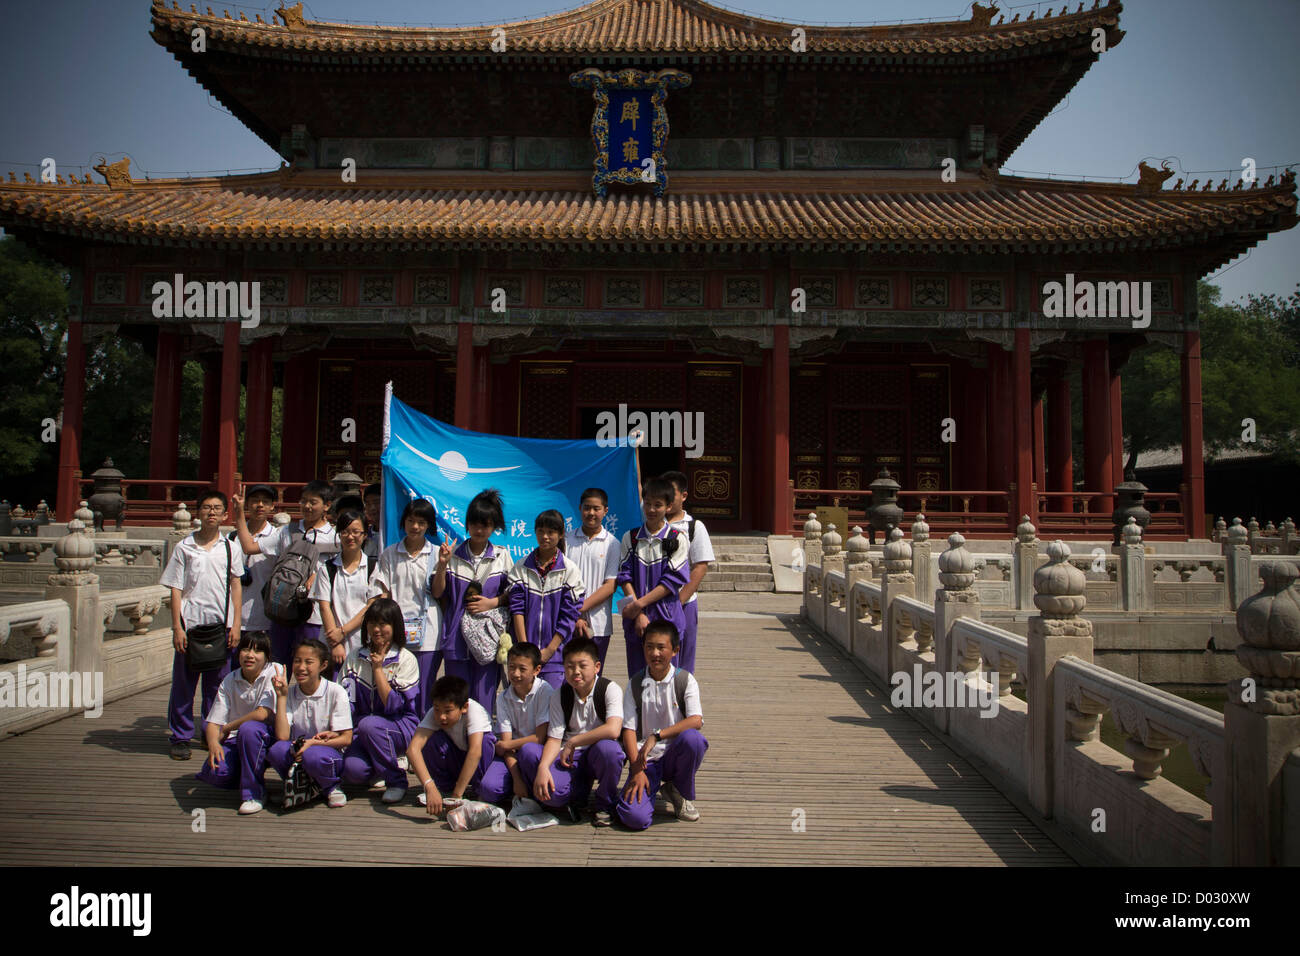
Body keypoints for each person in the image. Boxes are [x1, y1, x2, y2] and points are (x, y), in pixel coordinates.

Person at [163, 489, 244, 760]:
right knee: (184, 684)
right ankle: (180, 736)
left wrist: (236, 623)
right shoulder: (184, 547)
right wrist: (177, 626)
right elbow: (175, 588)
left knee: (217, 686)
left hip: (220, 625)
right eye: (207, 507)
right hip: (191, 625)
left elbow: (236, 585)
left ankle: (211, 732)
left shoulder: (230, 548)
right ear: (198, 512)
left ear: (224, 514)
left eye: (217, 508)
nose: (212, 512)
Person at [517, 637, 624, 827]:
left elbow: (614, 729)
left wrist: (575, 742)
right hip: (567, 758)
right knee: (528, 752)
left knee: (611, 751)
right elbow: (554, 738)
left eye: (582, 666)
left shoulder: (609, 689)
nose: (576, 672)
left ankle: (604, 805)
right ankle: (573, 795)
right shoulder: (560, 694)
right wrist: (543, 767)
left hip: (594, 754)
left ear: (597, 666)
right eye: (570, 666)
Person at [232, 479, 337, 665]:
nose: (307, 506)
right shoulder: (286, 532)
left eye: (313, 502)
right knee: (278, 668)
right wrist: (239, 512)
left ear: (327, 506)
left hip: (315, 616)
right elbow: (249, 547)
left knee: (311, 667)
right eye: (304, 501)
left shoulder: (336, 537)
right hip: (283, 610)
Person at [615, 621, 707, 830]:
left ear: (675, 650)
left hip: (673, 753)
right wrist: (636, 769)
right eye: (649, 647)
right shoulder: (636, 683)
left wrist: (656, 736)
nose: (654, 653)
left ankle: (678, 790)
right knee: (633, 818)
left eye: (661, 647)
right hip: (646, 760)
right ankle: (646, 788)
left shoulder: (684, 680)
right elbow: (628, 730)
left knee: (693, 740)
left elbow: (696, 720)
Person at [431, 488, 513, 711]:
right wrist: (442, 565)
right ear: (466, 524)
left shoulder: (501, 556)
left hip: (488, 640)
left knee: (484, 702)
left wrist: (492, 602)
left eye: (485, 524)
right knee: (456, 702)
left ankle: (483, 745)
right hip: (456, 640)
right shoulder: (453, 555)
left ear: (494, 526)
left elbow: (513, 594)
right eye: (475, 524)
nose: (479, 529)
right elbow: (438, 592)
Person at [337, 598, 421, 804]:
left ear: (395, 626)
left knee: (369, 725)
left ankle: (397, 781)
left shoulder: (405, 658)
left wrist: (377, 669)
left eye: (383, 623)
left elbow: (395, 706)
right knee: (353, 771)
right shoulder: (355, 657)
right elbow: (345, 701)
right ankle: (379, 767)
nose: (377, 629)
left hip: (401, 726)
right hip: (364, 729)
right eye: (372, 623)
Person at [195, 631, 284, 814]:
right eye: (245, 649)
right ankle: (246, 776)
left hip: (267, 735)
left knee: (249, 729)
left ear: (266, 657)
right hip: (237, 739)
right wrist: (213, 743)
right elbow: (213, 722)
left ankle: (253, 793)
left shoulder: (274, 670)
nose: (250, 655)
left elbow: (262, 713)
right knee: (215, 772)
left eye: (257, 651)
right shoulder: (230, 679)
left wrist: (228, 727)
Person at [368, 497, 441, 718]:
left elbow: (439, 593)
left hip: (429, 632)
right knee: (397, 685)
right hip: (396, 632)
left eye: (421, 522)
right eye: (411, 521)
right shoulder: (390, 553)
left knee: (425, 690)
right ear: (404, 522)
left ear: (429, 525)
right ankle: (400, 732)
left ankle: (421, 737)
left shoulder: (437, 553)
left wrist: (445, 564)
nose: (415, 526)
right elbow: (383, 592)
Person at [616, 477, 688, 679]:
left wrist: (638, 605)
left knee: (667, 679)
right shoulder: (630, 538)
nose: (651, 509)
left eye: (658, 505)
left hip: (666, 618)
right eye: (647, 503)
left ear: (668, 506)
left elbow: (672, 581)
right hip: (636, 623)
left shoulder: (676, 538)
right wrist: (638, 614)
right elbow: (624, 576)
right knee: (638, 678)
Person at [269, 638, 353, 808]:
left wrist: (313, 743)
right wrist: (282, 697)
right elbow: (283, 736)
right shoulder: (290, 692)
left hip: (325, 754)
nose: (301, 667)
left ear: (323, 666)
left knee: (313, 755)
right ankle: (304, 786)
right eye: (297, 661)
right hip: (298, 752)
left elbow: (346, 739)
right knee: (276, 750)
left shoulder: (336, 692)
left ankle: (331, 787)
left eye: (309, 662)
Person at [507, 509, 585, 690]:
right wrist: (525, 649)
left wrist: (550, 650)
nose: (545, 537)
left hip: (555, 657)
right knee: (523, 707)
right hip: (524, 655)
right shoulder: (521, 566)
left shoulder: (569, 569)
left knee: (552, 708)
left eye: (551, 532)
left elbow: (570, 615)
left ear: (560, 534)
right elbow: (516, 609)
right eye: (541, 531)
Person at [407, 675, 496, 816]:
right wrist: (429, 786)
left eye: (448, 711)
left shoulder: (475, 711)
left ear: (464, 707)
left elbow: (475, 752)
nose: (441, 716)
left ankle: (477, 790)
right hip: (457, 758)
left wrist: (457, 795)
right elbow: (413, 749)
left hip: (478, 764)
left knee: (485, 742)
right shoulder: (433, 714)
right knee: (428, 740)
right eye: (437, 709)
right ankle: (442, 789)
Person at [478, 642, 555, 806]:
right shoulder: (503, 697)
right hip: (513, 755)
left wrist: (508, 744)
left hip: (536, 752)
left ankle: (529, 788)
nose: (515, 673)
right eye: (511, 667)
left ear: (537, 670)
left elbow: (539, 738)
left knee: (529, 750)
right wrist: (516, 778)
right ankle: (520, 786)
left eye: (522, 669)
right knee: (488, 788)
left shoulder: (545, 691)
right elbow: (506, 746)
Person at [661, 470, 714, 674]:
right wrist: (634, 450)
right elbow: (638, 487)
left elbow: (700, 567)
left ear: (683, 496)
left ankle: (682, 701)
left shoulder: (694, 527)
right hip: (656, 603)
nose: (666, 500)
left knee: (683, 658)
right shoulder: (653, 524)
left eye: (671, 494)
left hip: (683, 604)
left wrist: (679, 601)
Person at [310, 509, 377, 669]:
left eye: (356, 532)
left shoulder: (373, 567)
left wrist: (343, 632)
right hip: (333, 644)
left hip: (363, 642)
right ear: (339, 534)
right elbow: (325, 606)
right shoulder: (328, 568)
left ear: (364, 535)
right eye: (345, 532)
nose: (350, 536)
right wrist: (335, 642)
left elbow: (370, 606)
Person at [566, 488, 621, 668]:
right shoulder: (566, 540)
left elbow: (610, 585)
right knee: (567, 675)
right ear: (580, 508)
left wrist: (579, 609)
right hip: (567, 622)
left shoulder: (613, 543)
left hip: (598, 624)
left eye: (596, 509)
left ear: (605, 511)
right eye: (587, 508)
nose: (591, 513)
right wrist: (573, 615)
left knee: (593, 677)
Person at [231, 484, 278, 660]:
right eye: (255, 501)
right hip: (234, 619)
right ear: (247, 504)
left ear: (272, 506)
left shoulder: (277, 537)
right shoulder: (232, 538)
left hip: (263, 618)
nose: (260, 505)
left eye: (265, 502)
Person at [362, 484, 383, 561]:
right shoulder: (364, 536)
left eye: (376, 502)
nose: (372, 508)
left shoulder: (396, 535)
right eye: (368, 503)